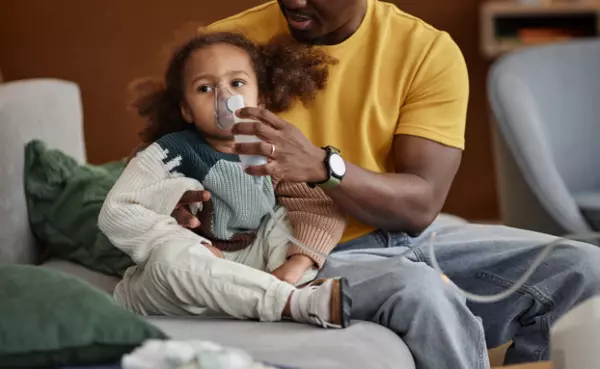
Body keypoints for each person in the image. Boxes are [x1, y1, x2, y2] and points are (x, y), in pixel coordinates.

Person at [164, 0, 600, 368]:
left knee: (582, 270)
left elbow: (420, 205)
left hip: (404, 235)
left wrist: (323, 166)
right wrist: (180, 205)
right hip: (296, 252)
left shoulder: (424, 50)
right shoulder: (225, 49)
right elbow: (170, 164)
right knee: (422, 291)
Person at [98, 31, 353, 329]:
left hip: (261, 266)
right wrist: (181, 241)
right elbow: (117, 210)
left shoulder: (276, 150)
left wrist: (296, 265)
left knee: (287, 217)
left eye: (237, 83)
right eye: (205, 88)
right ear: (186, 110)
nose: (224, 96)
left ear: (261, 99)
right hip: (192, 271)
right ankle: (291, 302)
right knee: (168, 260)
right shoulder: (171, 152)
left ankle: (282, 287)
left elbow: (319, 207)